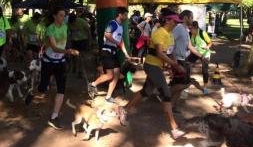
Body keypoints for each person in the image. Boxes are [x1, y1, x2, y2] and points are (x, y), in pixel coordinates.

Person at [117, 10, 186, 139]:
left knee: (146, 91)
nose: (176, 24)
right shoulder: (159, 33)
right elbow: (160, 53)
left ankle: (124, 109)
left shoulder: (170, 35)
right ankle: (175, 129)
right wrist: (176, 65)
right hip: (152, 66)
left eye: (177, 22)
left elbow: (171, 52)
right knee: (166, 94)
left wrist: (173, 66)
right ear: (168, 20)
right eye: (175, 21)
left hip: (158, 67)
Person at [38, 7, 79, 130]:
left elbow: (64, 43)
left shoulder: (65, 27)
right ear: (55, 16)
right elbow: (55, 48)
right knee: (42, 88)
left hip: (60, 62)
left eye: (64, 15)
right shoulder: (50, 29)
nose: (63, 17)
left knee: (61, 89)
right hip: (48, 62)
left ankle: (54, 117)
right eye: (61, 15)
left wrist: (68, 50)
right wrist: (69, 51)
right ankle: (32, 92)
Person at [88, 7, 131, 104]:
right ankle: (93, 84)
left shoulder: (121, 26)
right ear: (120, 14)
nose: (126, 17)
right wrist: (117, 43)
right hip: (106, 51)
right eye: (125, 15)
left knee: (116, 75)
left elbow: (121, 41)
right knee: (110, 75)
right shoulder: (112, 23)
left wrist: (126, 54)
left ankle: (108, 97)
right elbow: (107, 34)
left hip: (114, 53)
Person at [171, 10, 208, 106]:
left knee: (181, 84)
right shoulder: (179, 28)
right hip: (178, 60)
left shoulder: (186, 30)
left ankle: (172, 105)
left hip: (182, 60)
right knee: (183, 84)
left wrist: (201, 56)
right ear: (185, 18)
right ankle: (165, 94)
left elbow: (190, 47)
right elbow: (171, 43)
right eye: (191, 17)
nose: (192, 20)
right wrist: (174, 61)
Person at [188, 21, 212, 95]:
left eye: (191, 29)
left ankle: (205, 87)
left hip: (205, 53)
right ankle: (185, 84)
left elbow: (210, 42)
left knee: (205, 70)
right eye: (189, 28)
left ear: (196, 28)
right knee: (187, 65)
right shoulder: (189, 34)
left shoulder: (202, 33)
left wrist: (207, 46)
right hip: (196, 53)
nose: (190, 30)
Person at [68, 12, 91, 77]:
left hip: (82, 41)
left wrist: (89, 41)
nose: (72, 24)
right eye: (71, 22)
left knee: (81, 56)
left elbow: (89, 31)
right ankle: (74, 66)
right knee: (73, 56)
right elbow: (68, 33)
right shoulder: (68, 23)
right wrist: (68, 42)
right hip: (73, 41)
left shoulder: (82, 22)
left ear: (76, 19)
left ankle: (80, 70)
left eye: (73, 22)